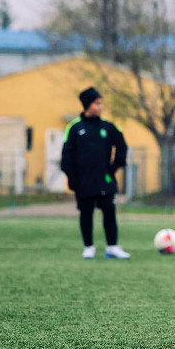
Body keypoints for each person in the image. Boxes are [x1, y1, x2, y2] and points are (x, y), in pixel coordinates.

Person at [60, 87, 130, 260]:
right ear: (87, 105)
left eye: (101, 103)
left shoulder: (108, 126)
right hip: (83, 182)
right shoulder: (75, 128)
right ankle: (88, 247)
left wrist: (114, 167)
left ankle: (112, 247)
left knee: (109, 212)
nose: (100, 107)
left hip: (105, 180)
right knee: (86, 213)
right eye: (97, 103)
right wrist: (72, 178)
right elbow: (66, 156)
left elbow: (122, 146)